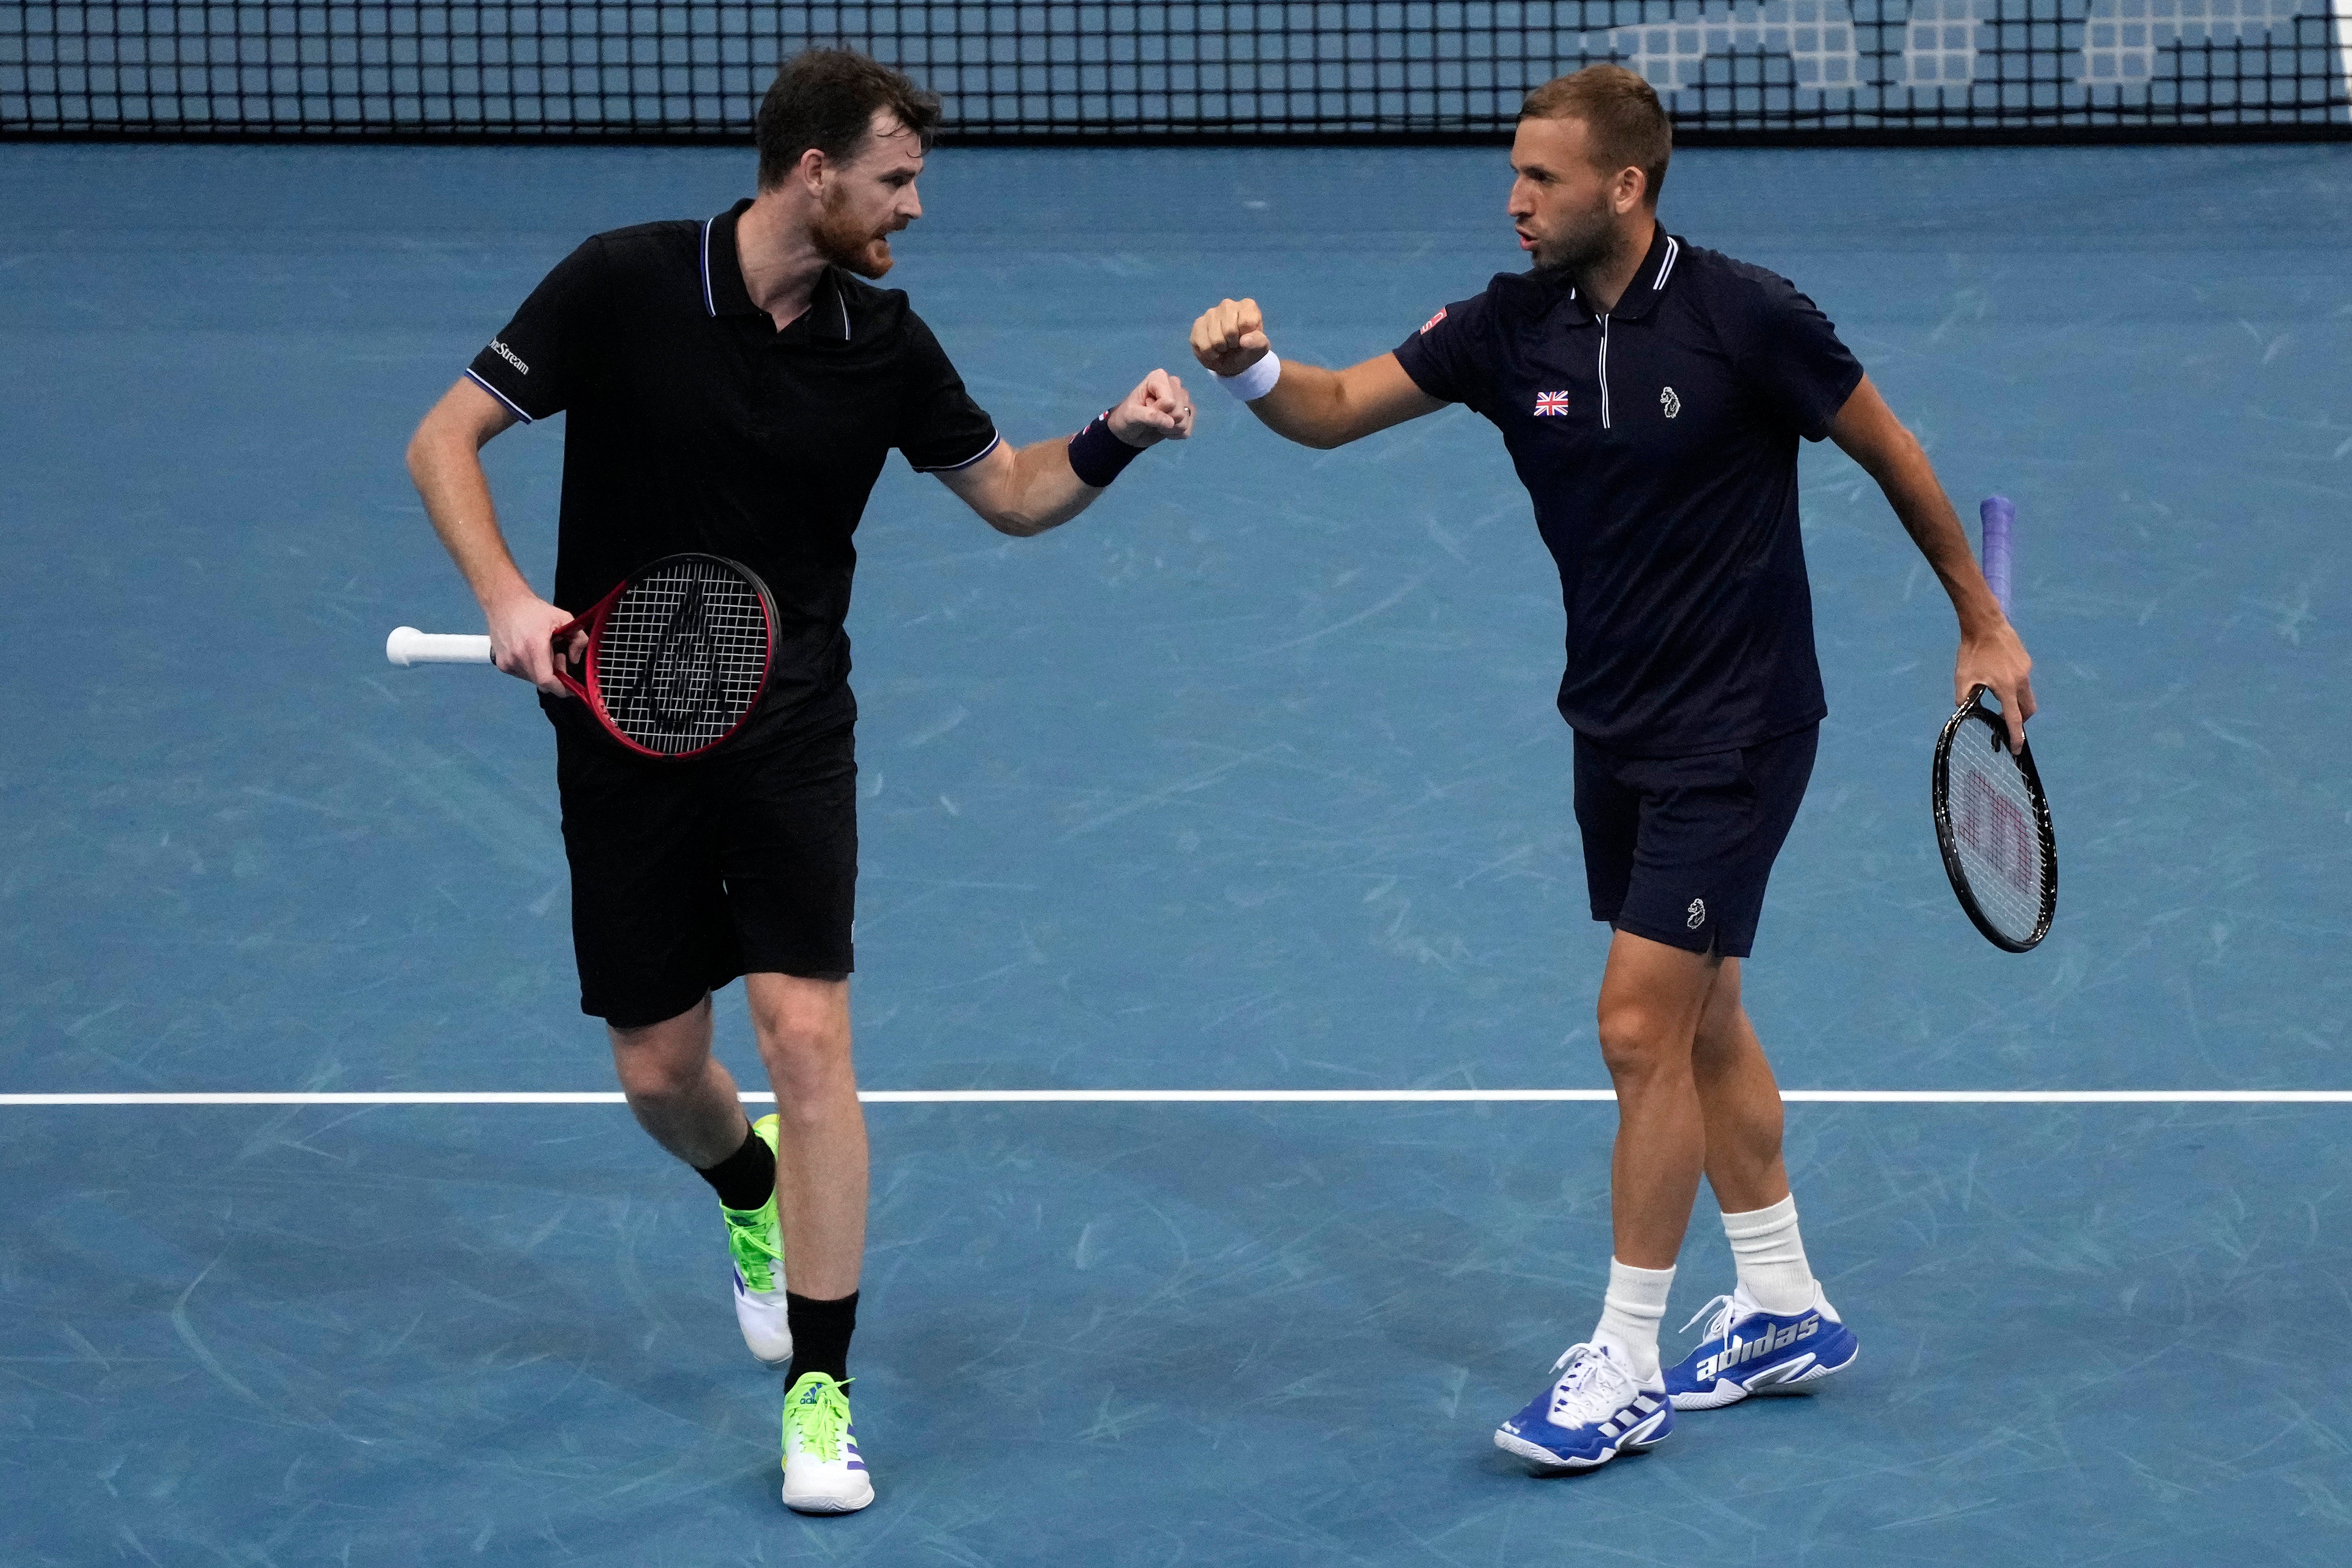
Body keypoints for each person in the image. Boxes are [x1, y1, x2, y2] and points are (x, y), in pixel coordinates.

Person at [1188, 64, 2033, 1471]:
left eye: (1545, 180)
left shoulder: (1745, 316)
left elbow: (1892, 449)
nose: (1517, 202)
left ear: (1626, 188)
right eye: (1515, 174)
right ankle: (1781, 1302)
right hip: (1616, 723)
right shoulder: (1507, 327)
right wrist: (1254, 370)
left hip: (1741, 728)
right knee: (1703, 1024)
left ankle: (1626, 1359)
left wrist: (1981, 619)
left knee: (1639, 1027)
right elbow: (1333, 407)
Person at [406, 49, 1192, 1513]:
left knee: (807, 1041)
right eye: (895, 181)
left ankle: (819, 1390)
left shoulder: (883, 343)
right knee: (659, 1069)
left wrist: (1117, 436)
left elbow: (1013, 492)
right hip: (625, 723)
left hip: (789, 731)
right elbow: (441, 439)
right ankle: (747, 1187)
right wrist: (513, 596)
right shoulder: (623, 283)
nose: (912, 208)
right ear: (814, 172)